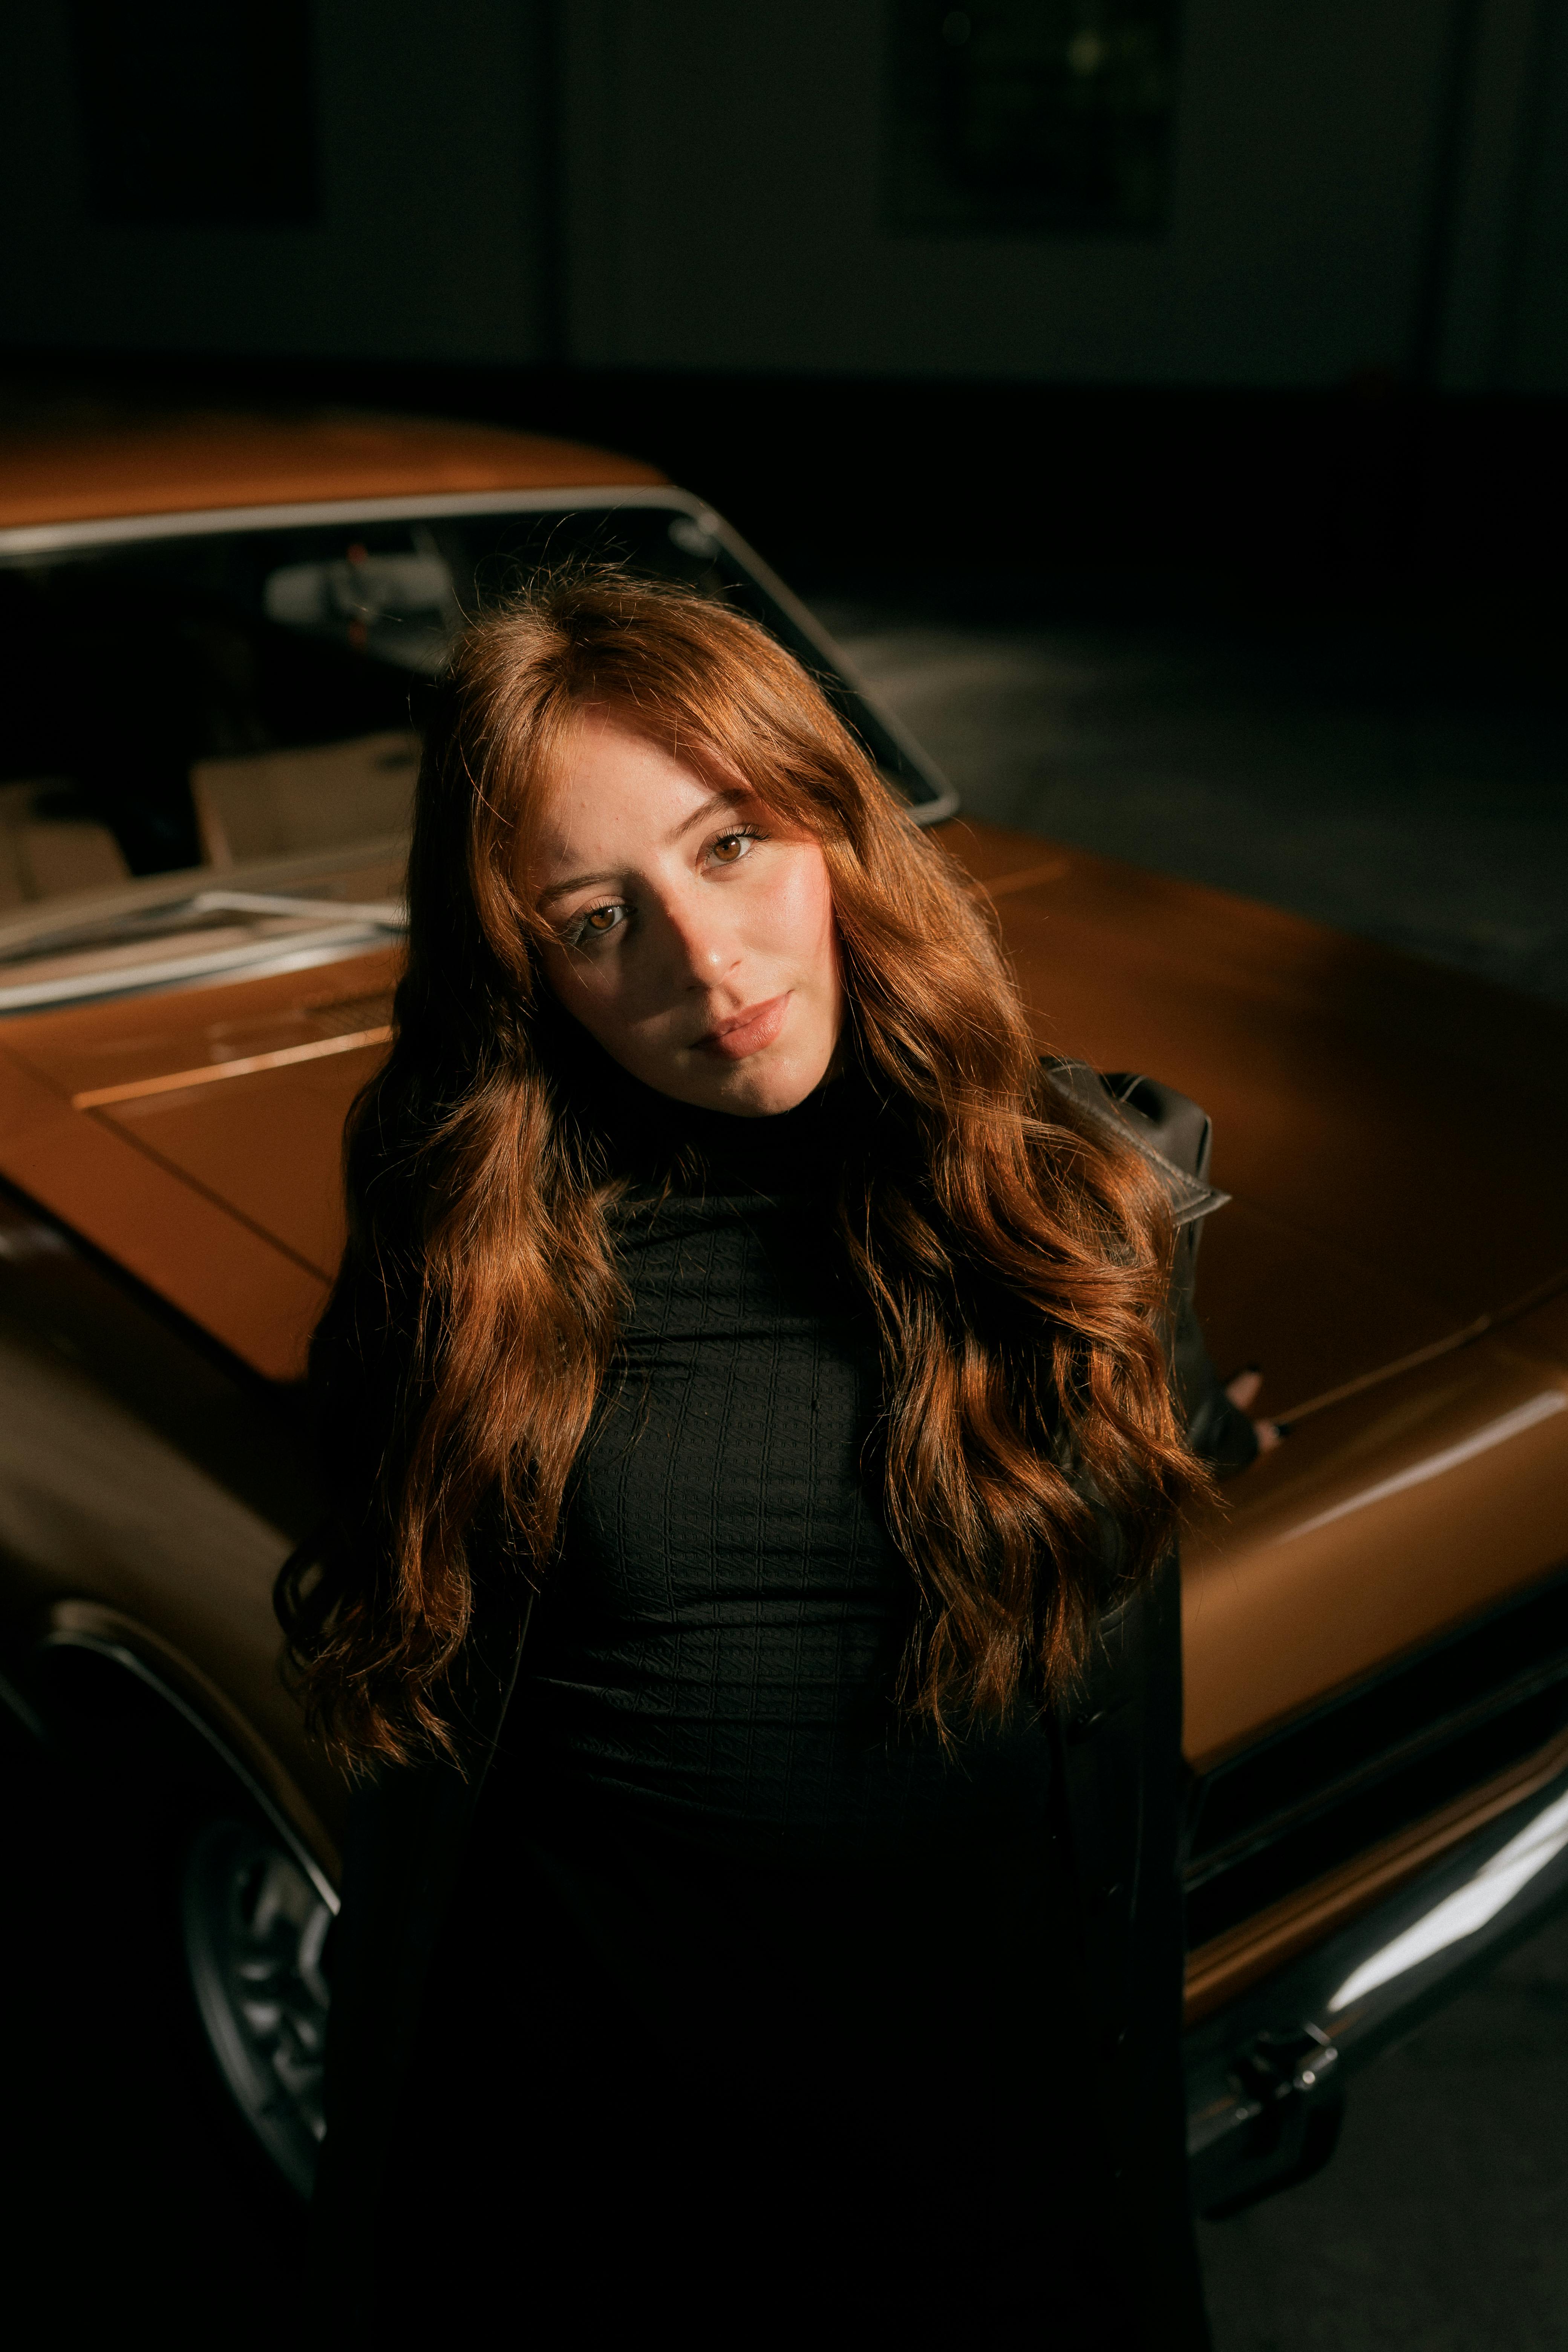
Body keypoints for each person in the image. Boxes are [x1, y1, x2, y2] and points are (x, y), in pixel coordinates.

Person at [278, 573, 1263, 2346]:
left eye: (728, 847)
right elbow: (401, 1640)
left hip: (998, 2162)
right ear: (529, 974)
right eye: (599, 919)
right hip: (592, 2183)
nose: (706, 965)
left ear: (831, 827)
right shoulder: (474, 1252)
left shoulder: (1088, 1200)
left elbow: (1118, 1612)